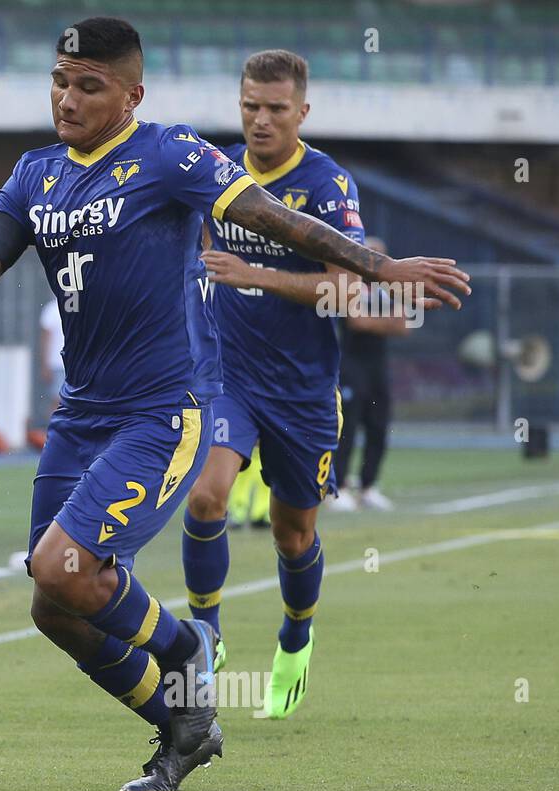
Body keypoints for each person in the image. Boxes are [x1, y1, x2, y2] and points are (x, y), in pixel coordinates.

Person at [0, 19, 468, 791]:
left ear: (132, 94)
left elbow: (277, 220)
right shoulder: (33, 174)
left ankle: (184, 652)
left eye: (88, 85)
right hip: (80, 416)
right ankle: (183, 726)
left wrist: (380, 264)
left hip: (161, 413)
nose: (66, 98)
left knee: (62, 566)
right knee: (54, 606)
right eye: (59, 80)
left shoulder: (170, 155)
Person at [180, 51, 450, 719]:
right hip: (227, 374)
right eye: (250, 106)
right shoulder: (215, 173)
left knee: (291, 531)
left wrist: (258, 274)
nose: (260, 120)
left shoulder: (327, 184)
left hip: (302, 389)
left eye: (275, 108)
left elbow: (347, 286)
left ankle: (295, 639)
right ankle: (205, 637)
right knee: (208, 496)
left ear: (302, 112)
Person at [331, 236, 407, 511]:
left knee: (378, 425)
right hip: (350, 365)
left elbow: (403, 326)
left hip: (377, 366)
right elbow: (357, 322)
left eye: (380, 254)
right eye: (370, 253)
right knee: (347, 426)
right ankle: (337, 488)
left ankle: (368, 485)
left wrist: (376, 322)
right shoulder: (348, 286)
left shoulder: (389, 290)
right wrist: (384, 322)